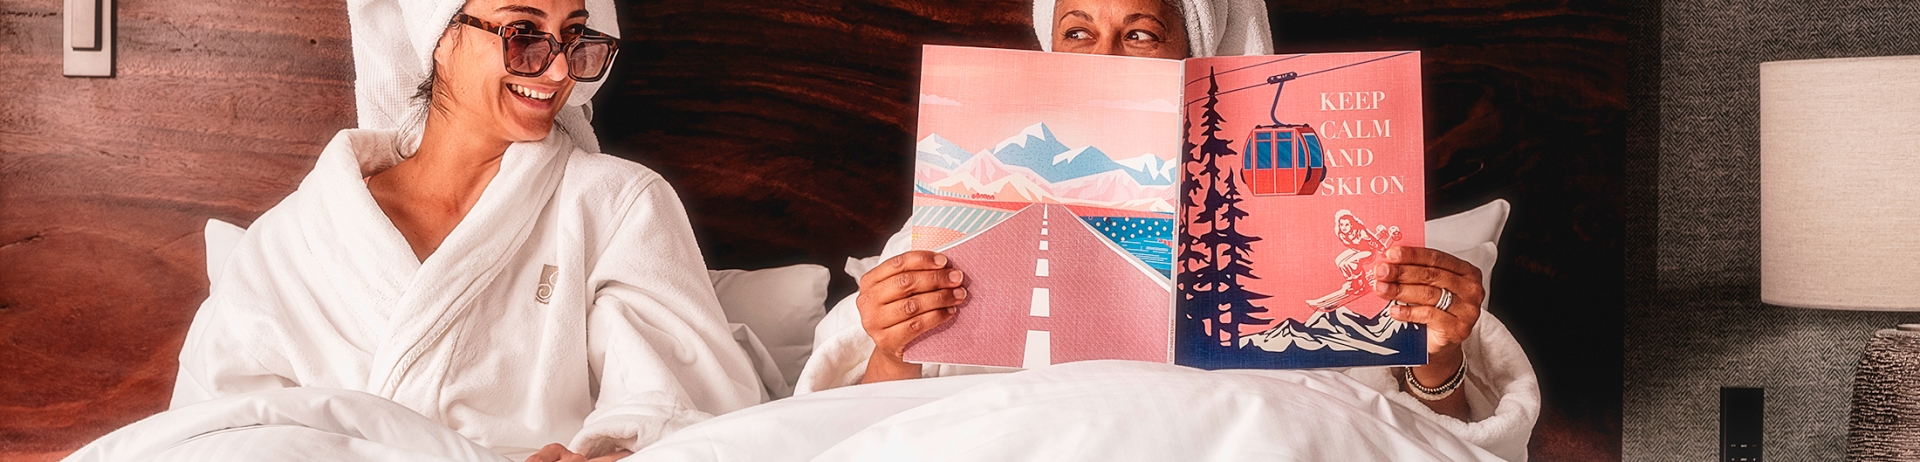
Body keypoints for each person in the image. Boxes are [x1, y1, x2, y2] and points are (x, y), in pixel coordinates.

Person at [795, 0, 1537, 459]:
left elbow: (1409, 435)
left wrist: (1442, 357)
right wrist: (891, 348)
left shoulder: (1359, 233)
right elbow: (857, 430)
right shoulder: (942, 228)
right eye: (1078, 31)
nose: (1104, 60)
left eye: (1141, 34)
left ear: (1196, 55)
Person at [145, 0, 763, 460]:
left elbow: (685, 412)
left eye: (575, 36)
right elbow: (207, 435)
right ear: (441, 38)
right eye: (524, 35)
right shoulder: (293, 239)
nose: (557, 72)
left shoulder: (617, 205)